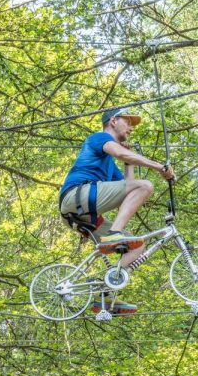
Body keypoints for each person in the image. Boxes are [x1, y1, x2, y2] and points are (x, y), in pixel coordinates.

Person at [59, 107, 177, 315]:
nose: (131, 128)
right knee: (146, 185)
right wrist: (160, 167)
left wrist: (127, 162)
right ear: (113, 121)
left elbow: (127, 186)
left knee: (137, 245)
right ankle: (114, 234)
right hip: (77, 196)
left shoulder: (110, 164)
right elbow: (123, 157)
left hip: (82, 213)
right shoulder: (98, 138)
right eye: (128, 122)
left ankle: (105, 292)